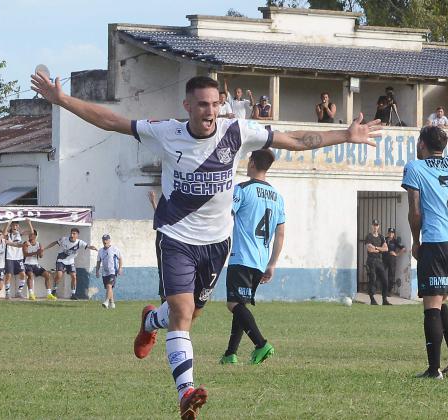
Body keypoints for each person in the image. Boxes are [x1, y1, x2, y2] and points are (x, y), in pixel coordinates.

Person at [31, 70, 380, 419]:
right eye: (202, 104)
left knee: (192, 314)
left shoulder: (237, 132)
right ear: (188, 106)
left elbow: (295, 140)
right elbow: (111, 121)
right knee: (183, 314)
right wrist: (63, 100)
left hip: (217, 244)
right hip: (176, 237)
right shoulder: (166, 132)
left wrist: (345, 135)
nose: (209, 111)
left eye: (215, 103)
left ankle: (152, 321)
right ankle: (186, 392)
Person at [402, 77, 448, 379]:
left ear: (421, 144)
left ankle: (434, 370)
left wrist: (416, 241)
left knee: (431, 306)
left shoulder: (415, 167)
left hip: (438, 242)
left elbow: (415, 212)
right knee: (441, 302)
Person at [220, 149, 285, 365]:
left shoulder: (242, 190)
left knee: (233, 304)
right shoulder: (278, 197)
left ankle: (261, 343)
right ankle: (230, 354)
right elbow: (280, 232)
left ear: (253, 163)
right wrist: (272, 264)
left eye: (249, 160)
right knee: (241, 305)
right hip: (260, 261)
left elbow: (225, 217)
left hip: (241, 257)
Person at [44, 227, 98, 299]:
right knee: (59, 275)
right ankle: (54, 290)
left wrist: (93, 248)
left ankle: (73, 294)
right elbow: (55, 242)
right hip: (61, 260)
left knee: (74, 276)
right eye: (71, 233)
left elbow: (88, 246)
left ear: (77, 235)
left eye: (74, 233)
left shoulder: (80, 242)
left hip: (70, 261)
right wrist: (45, 248)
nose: (72, 235)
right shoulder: (64, 239)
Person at [3, 219, 33, 299]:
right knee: (8, 275)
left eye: (16, 225)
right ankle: (7, 293)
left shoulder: (20, 233)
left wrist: (29, 223)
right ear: (11, 226)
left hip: (19, 257)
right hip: (9, 257)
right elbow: (3, 233)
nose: (15, 227)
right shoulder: (8, 234)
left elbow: (31, 232)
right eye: (13, 225)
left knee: (23, 274)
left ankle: (19, 292)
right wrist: (8, 223)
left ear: (18, 226)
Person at [364, 219, 389, 305]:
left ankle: (384, 300)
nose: (375, 226)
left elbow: (386, 249)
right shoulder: (369, 236)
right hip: (371, 261)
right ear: (372, 226)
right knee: (373, 280)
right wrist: (379, 249)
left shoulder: (381, 237)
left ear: (378, 226)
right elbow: (369, 249)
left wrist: (376, 248)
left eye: (376, 225)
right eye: (374, 225)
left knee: (385, 280)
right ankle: (372, 299)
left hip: (379, 261)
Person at [148, 191, 166, 303]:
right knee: (162, 271)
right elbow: (159, 214)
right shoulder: (162, 226)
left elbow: (159, 214)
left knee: (165, 272)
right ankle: (164, 301)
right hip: (162, 245)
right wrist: (153, 202)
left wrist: (153, 202)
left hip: (166, 245)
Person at [96, 234, 123, 309]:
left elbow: (120, 258)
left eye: (106, 239)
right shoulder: (100, 251)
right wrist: (97, 271)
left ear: (109, 240)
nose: (105, 241)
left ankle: (106, 301)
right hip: (105, 272)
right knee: (109, 288)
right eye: (104, 240)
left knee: (109, 286)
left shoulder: (114, 249)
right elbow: (98, 261)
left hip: (113, 271)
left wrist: (120, 268)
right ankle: (112, 303)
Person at [24, 230, 53, 301]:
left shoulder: (38, 244)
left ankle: (49, 294)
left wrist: (41, 252)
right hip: (27, 264)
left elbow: (41, 256)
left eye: (31, 234)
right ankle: (31, 294)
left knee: (47, 275)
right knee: (30, 275)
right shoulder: (26, 243)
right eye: (29, 234)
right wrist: (36, 252)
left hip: (36, 264)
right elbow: (25, 254)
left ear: (35, 236)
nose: (29, 236)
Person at [383, 227, 407, 300]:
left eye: (392, 233)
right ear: (388, 233)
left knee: (391, 276)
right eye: (390, 232)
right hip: (384, 259)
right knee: (382, 274)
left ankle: (388, 291)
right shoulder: (384, 239)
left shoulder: (395, 241)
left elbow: (403, 248)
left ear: (394, 234)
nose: (391, 234)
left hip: (392, 259)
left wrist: (397, 254)